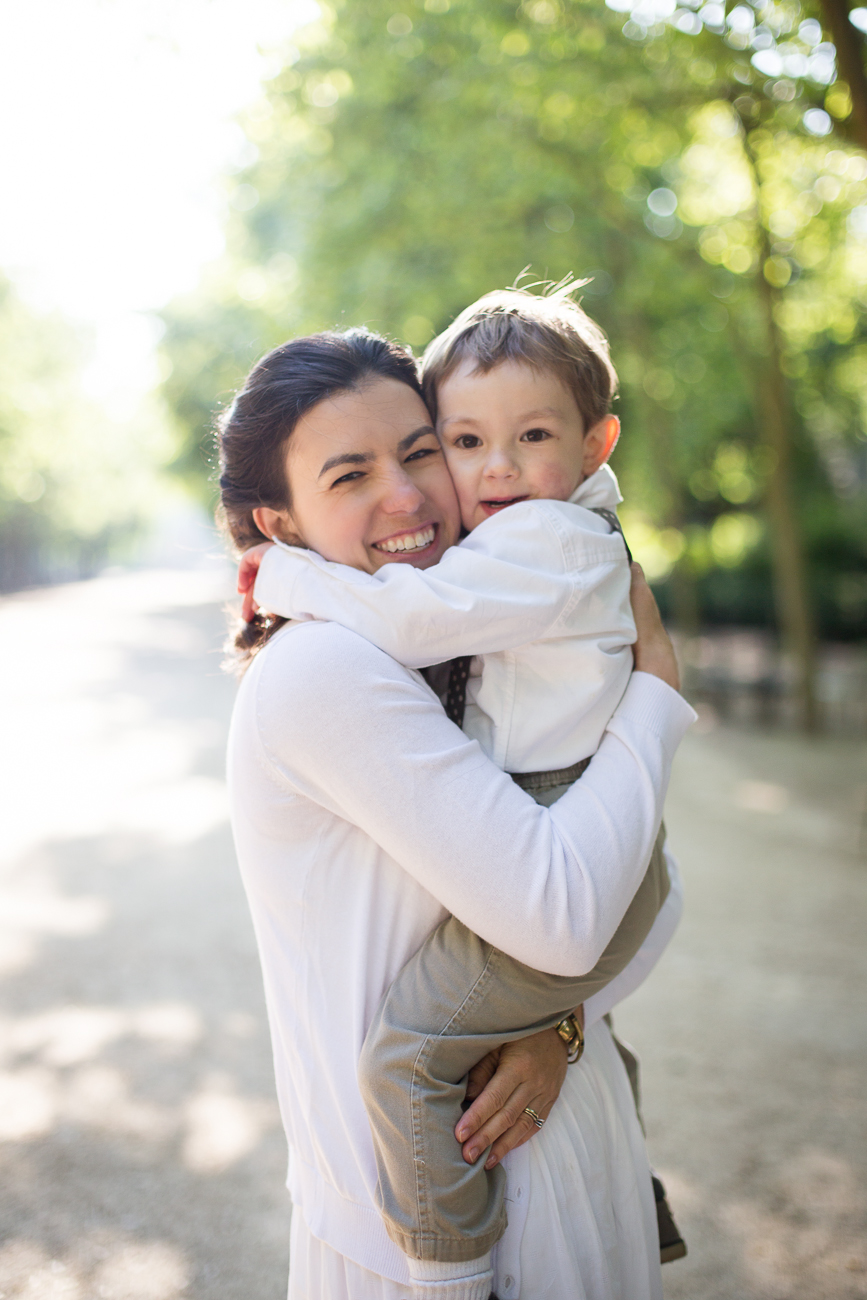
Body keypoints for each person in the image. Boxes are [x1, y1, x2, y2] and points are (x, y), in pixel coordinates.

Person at [220, 326, 694, 1300]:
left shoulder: (475, 630)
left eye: (421, 449)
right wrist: (656, 689)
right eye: (350, 476)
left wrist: (555, 1025)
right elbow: (569, 911)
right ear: (283, 519)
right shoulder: (326, 668)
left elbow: (658, 890)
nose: (406, 495)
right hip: (417, 1226)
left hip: (556, 1159)